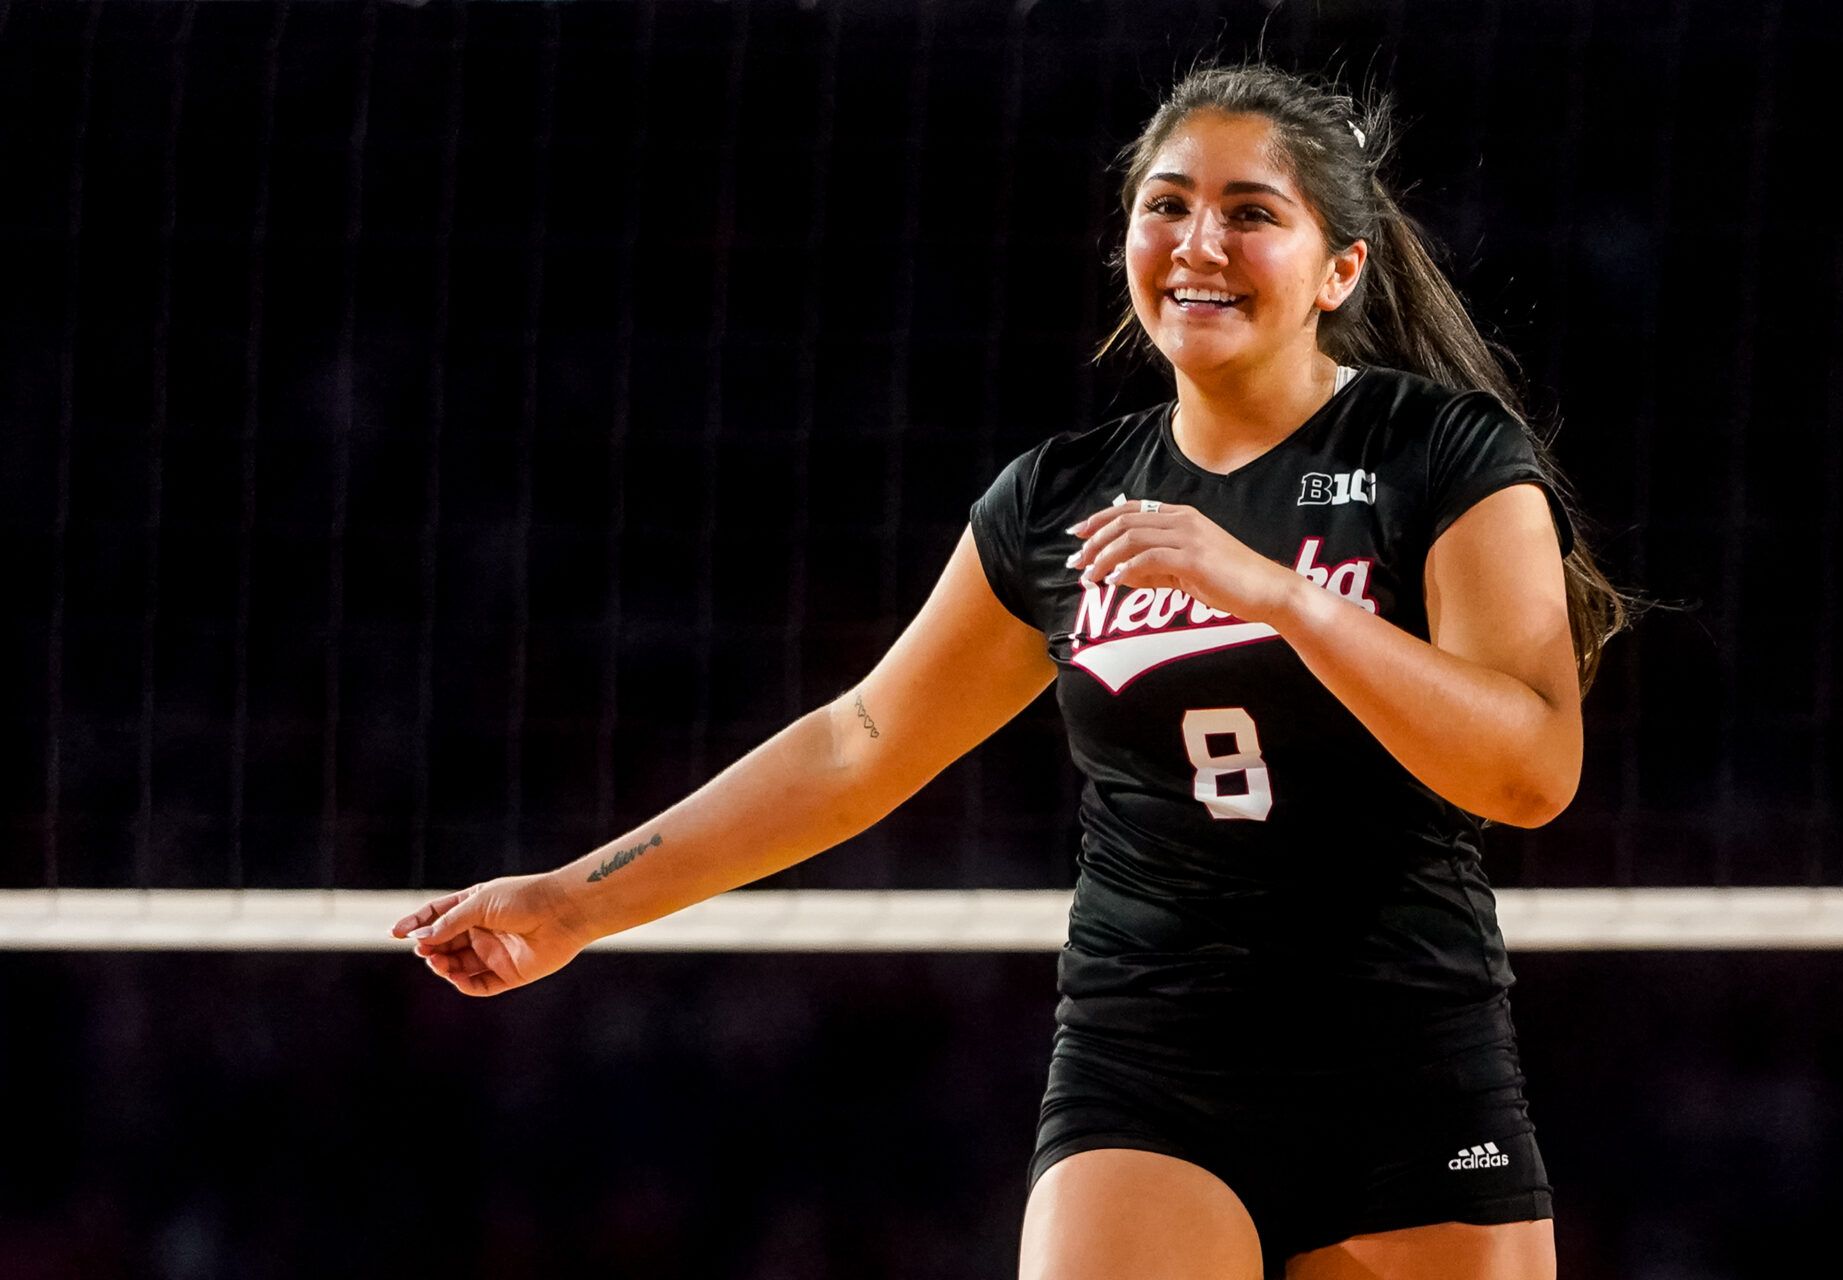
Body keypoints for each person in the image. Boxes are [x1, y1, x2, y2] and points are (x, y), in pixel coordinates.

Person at [393, 61, 1637, 1280]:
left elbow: (1531, 772)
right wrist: (571, 903)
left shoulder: (1442, 451)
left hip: (1404, 1051)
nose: (1199, 241)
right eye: (1167, 205)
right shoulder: (1058, 499)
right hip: (1148, 1056)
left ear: (1339, 269)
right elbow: (860, 740)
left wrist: (1277, 595)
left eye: (1251, 213)